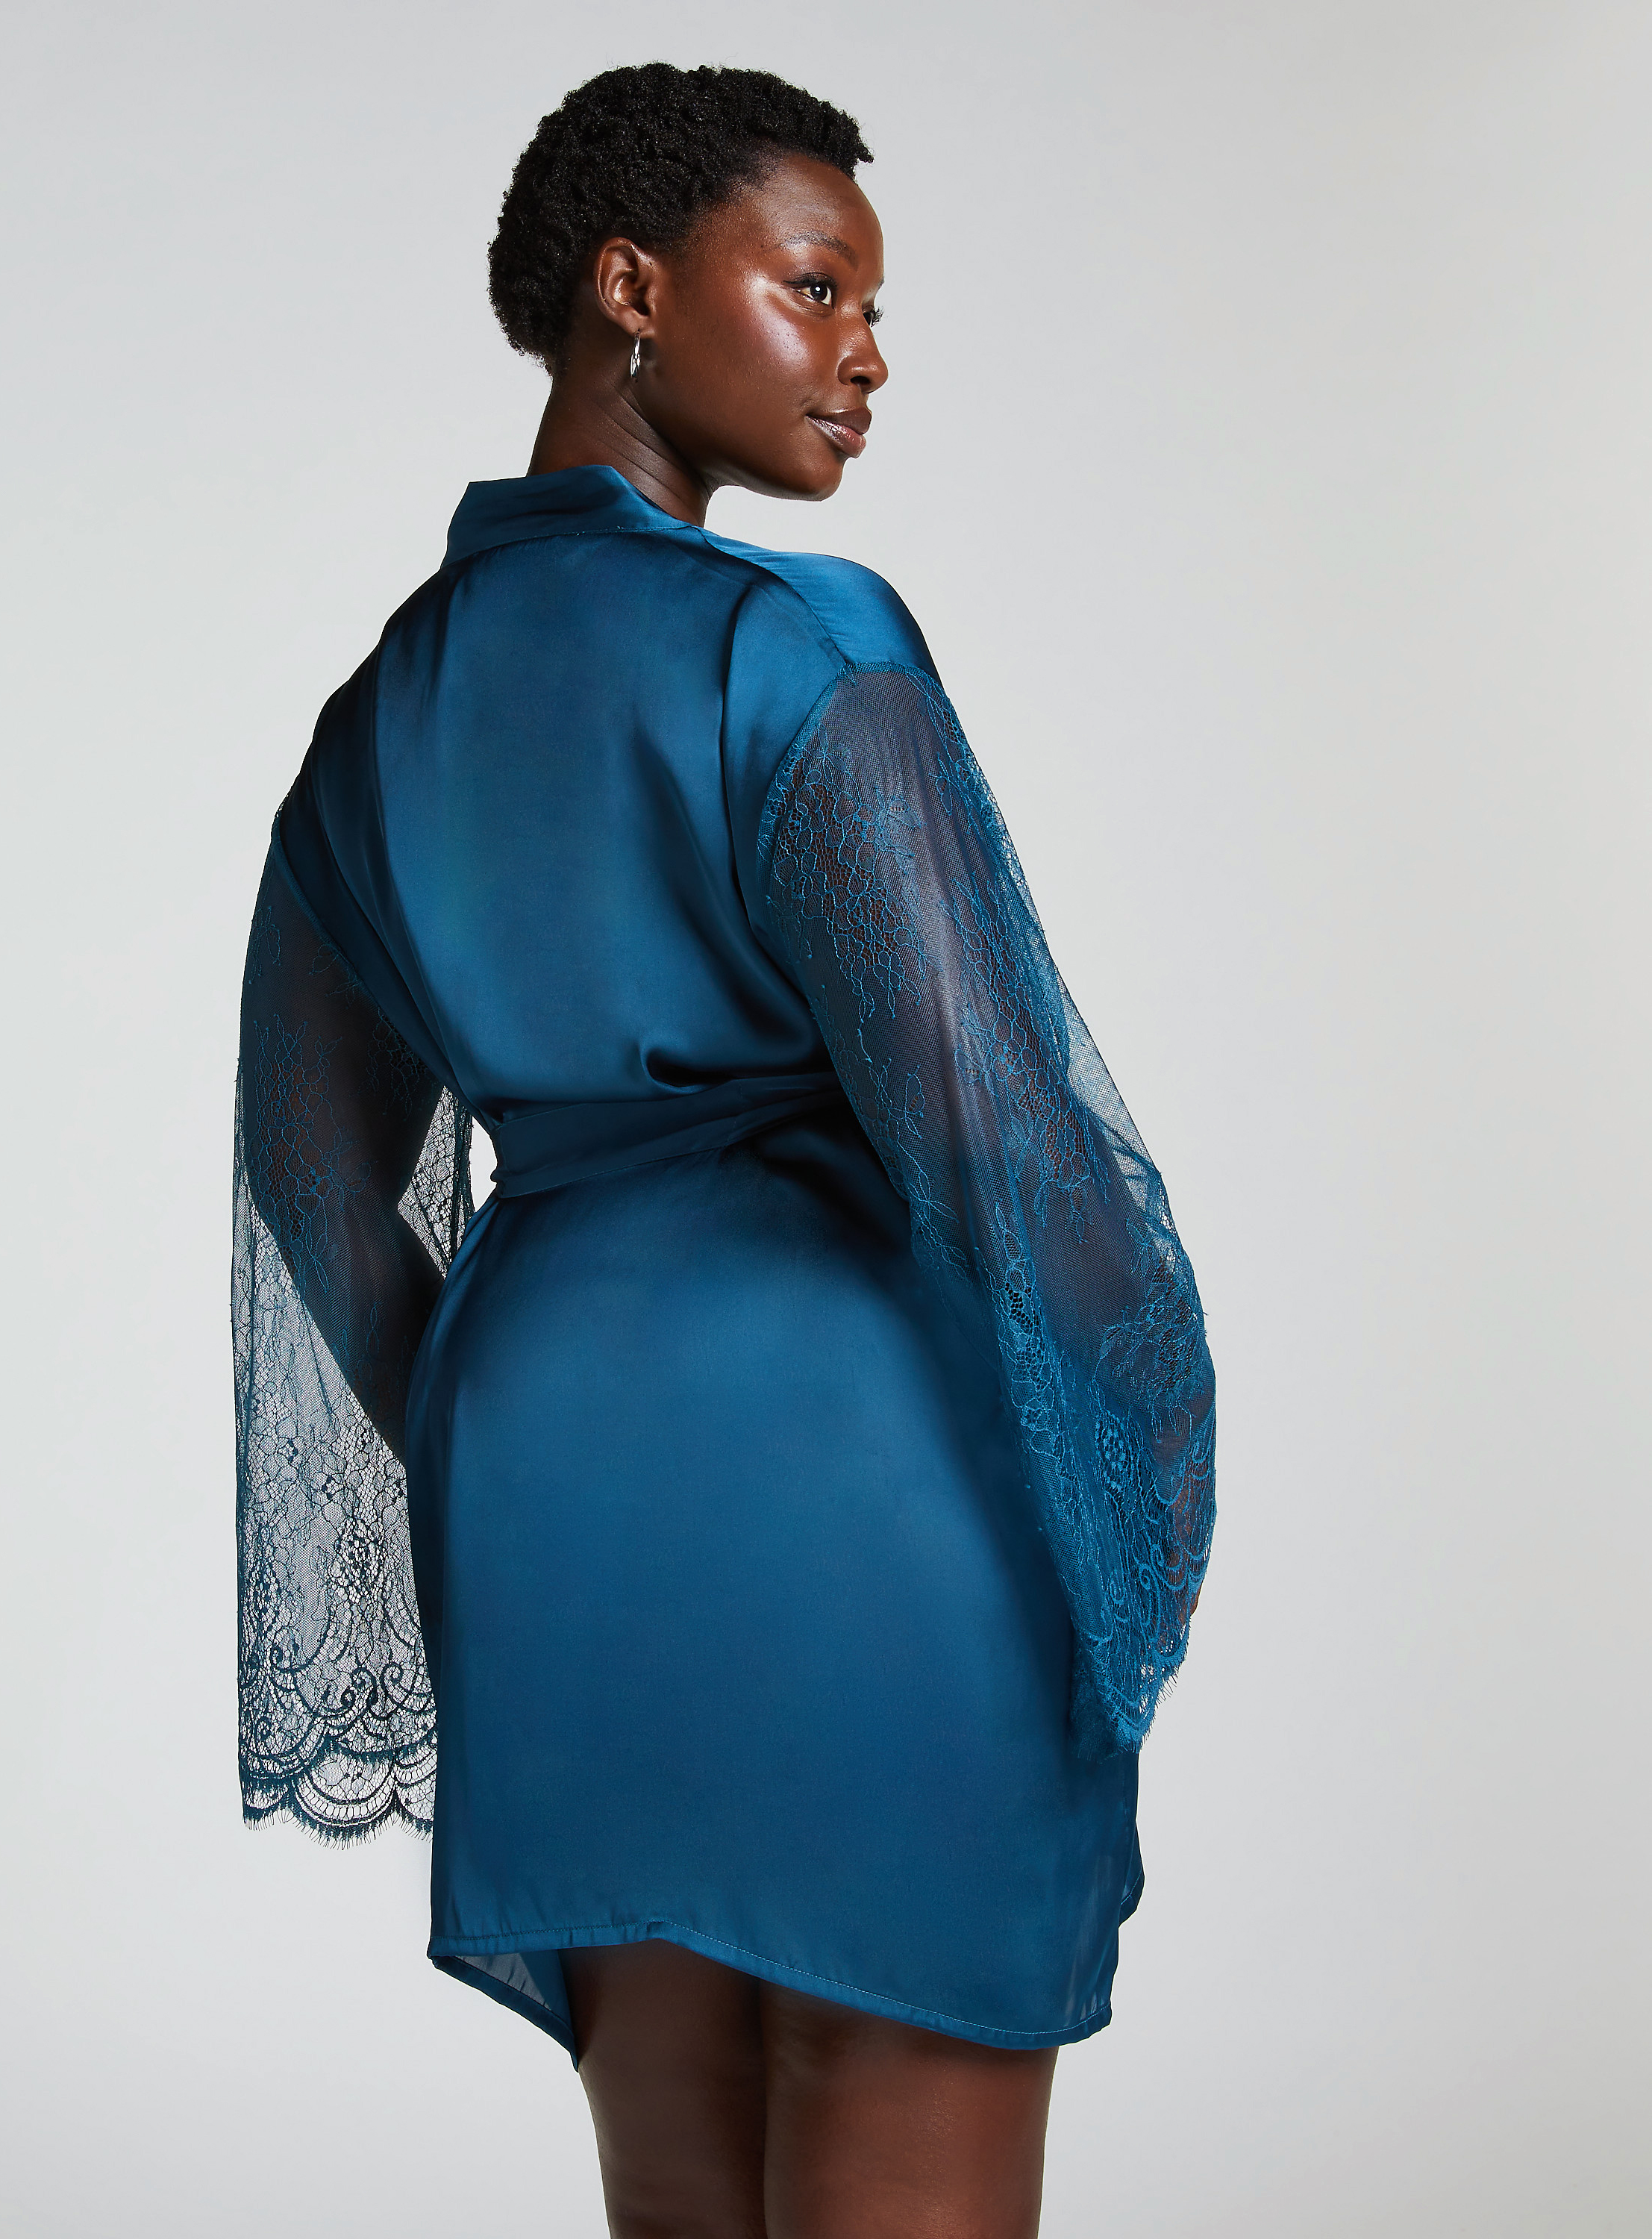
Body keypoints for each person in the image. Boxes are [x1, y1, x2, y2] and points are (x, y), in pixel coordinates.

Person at [234, 62, 1215, 2239]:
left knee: (680, 2170)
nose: (866, 355)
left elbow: (320, 1187)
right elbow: (995, 1141)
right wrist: (1139, 1437)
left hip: (548, 1496)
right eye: (816, 288)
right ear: (631, 287)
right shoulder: (796, 642)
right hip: (853, 1471)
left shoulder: (374, 720)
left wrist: (525, 1421)